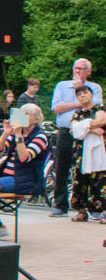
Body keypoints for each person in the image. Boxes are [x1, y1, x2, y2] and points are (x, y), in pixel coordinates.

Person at [0, 103, 48, 232]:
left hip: (25, 180)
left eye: (27, 115)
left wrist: (19, 136)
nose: (22, 117)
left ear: (36, 119)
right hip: (7, 176)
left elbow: (25, 157)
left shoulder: (40, 137)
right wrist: (6, 132)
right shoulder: (16, 134)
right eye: (21, 114)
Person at [49, 60, 102, 217]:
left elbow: (95, 107)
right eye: (75, 68)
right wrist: (80, 103)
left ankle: (92, 206)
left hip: (88, 133)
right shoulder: (62, 86)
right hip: (66, 131)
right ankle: (61, 205)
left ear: (88, 71)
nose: (77, 71)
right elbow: (56, 108)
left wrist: (79, 91)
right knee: (61, 167)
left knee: (88, 168)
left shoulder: (95, 88)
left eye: (81, 69)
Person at [69, 92, 106, 223]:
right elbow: (73, 129)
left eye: (85, 93)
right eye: (79, 94)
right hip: (81, 150)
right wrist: (91, 129)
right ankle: (82, 210)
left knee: (101, 180)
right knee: (80, 180)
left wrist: (83, 126)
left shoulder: (100, 109)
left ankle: (104, 211)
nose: (82, 96)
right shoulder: (77, 113)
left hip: (100, 150)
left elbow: (102, 121)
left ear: (91, 94)